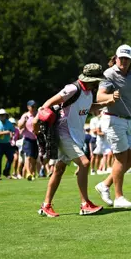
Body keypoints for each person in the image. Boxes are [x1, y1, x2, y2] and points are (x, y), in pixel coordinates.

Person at [37, 63, 109, 217]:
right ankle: (85, 204)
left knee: (59, 169)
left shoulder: (88, 92)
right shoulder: (72, 88)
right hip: (63, 132)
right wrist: (38, 121)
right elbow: (48, 103)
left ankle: (45, 205)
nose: (98, 83)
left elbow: (87, 108)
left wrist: (106, 103)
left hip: (75, 134)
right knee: (85, 163)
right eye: (96, 80)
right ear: (90, 79)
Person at [95, 44, 131, 209]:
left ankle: (104, 184)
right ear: (116, 57)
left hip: (128, 120)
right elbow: (99, 96)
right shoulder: (109, 74)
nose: (124, 61)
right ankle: (119, 197)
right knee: (121, 157)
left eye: (127, 59)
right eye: (121, 58)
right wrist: (111, 95)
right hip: (113, 119)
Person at [0, 109, 15, 180]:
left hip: (7, 143)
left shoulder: (9, 123)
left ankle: (6, 172)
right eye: (0, 115)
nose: (2, 116)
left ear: (5, 115)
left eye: (3, 115)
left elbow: (12, 131)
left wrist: (11, 133)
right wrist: (5, 132)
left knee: (11, 158)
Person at [18, 100, 39, 181]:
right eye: (32, 106)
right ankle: (28, 173)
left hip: (36, 139)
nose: (33, 108)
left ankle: (32, 173)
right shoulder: (25, 115)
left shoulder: (38, 114)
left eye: (34, 106)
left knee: (34, 158)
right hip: (28, 139)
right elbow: (19, 126)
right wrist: (24, 121)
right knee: (28, 156)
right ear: (28, 107)